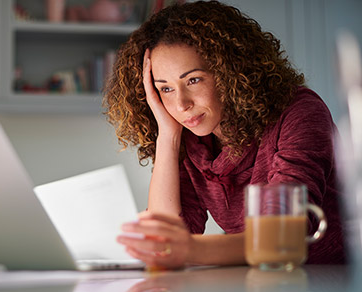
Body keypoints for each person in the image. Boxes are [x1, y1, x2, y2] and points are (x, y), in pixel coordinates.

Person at [103, 0, 346, 269]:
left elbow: (284, 236)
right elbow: (169, 235)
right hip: (257, 280)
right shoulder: (190, 136)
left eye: (193, 80)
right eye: (166, 89)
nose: (182, 104)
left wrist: (188, 249)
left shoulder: (299, 112)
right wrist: (167, 137)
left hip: (331, 279)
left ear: (230, 71)